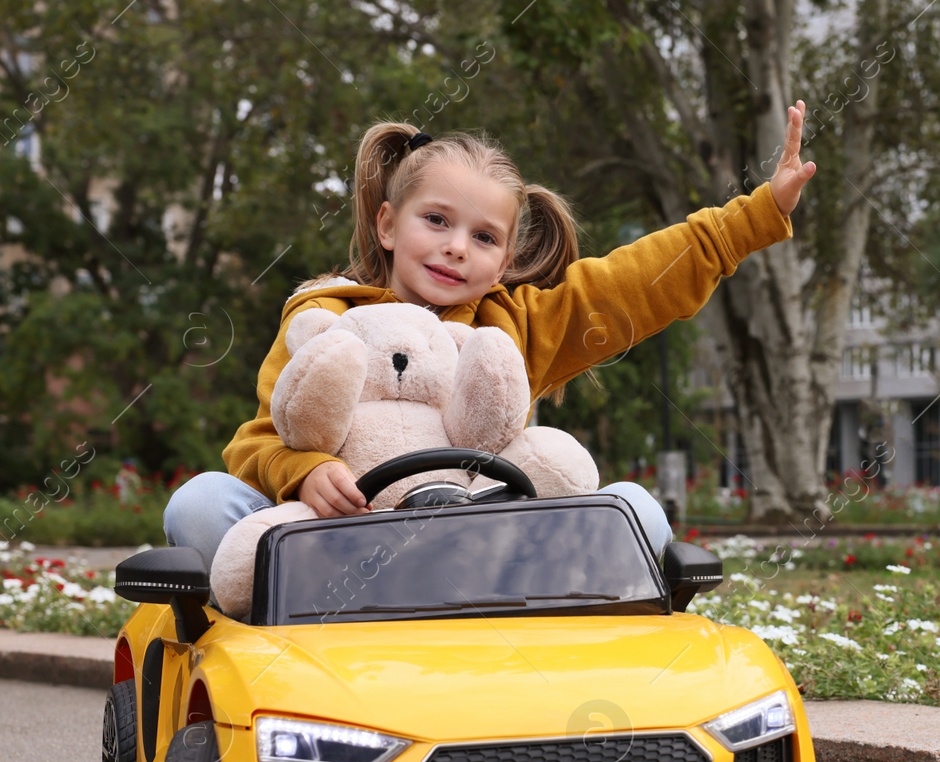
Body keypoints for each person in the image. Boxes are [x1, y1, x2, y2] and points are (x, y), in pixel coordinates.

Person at [164, 103, 817, 570]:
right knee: (200, 502)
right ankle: (245, 641)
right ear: (388, 224)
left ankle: (602, 639)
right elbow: (257, 439)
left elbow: (639, 282)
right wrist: (303, 471)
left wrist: (760, 214)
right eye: (437, 220)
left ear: (504, 261)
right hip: (339, 549)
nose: (454, 248)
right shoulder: (324, 317)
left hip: (484, 557)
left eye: (482, 237)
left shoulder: (515, 325)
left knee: (634, 507)